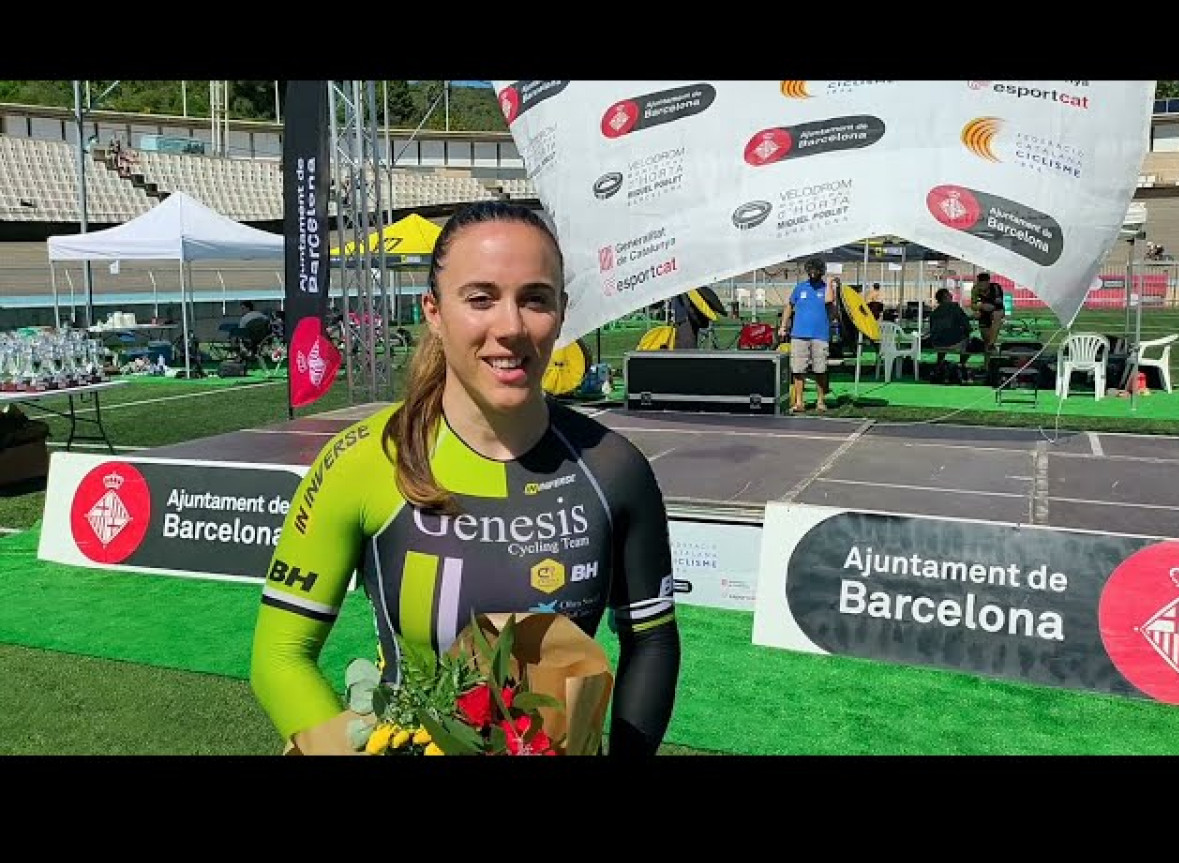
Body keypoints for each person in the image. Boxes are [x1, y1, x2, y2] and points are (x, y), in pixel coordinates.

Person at [249, 200, 681, 756]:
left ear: (562, 312)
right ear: (433, 311)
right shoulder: (364, 460)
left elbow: (652, 642)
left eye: (535, 299)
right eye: (480, 299)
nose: (511, 327)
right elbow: (280, 655)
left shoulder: (614, 468)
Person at [778, 256, 839, 413]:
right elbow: (789, 306)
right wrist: (783, 326)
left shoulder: (827, 289)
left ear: (821, 271)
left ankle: (820, 401)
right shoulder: (800, 288)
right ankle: (799, 402)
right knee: (798, 369)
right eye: (810, 270)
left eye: (816, 270)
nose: (813, 273)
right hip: (799, 334)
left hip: (820, 335)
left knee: (820, 369)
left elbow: (830, 304)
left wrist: (830, 284)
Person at [924, 288, 973, 383]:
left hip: (937, 344)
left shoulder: (934, 313)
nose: (951, 295)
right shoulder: (955, 308)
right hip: (954, 344)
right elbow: (966, 325)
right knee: (970, 343)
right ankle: (961, 364)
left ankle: (939, 363)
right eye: (949, 294)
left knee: (942, 337)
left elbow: (932, 330)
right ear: (946, 297)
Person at [969, 272, 1005, 353]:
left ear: (988, 282)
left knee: (997, 315)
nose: (981, 287)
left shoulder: (996, 288)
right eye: (979, 284)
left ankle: (991, 345)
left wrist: (990, 308)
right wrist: (980, 306)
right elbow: (973, 306)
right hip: (983, 313)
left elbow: (999, 306)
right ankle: (990, 348)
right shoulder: (975, 289)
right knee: (986, 339)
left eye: (983, 285)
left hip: (996, 310)